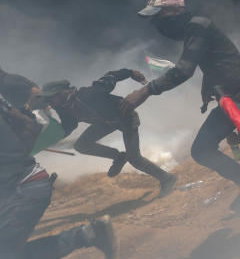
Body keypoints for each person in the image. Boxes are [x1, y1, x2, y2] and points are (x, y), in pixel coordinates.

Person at [120, 0, 240, 213]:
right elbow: (214, 62)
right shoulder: (194, 30)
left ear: (174, 12)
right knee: (203, 150)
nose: (155, 23)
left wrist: (145, 91)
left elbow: (184, 70)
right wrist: (209, 89)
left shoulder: (198, 26)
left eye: (158, 16)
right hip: (231, 103)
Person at [0, 72, 116, 259]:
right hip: (24, 184)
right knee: (9, 256)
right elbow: (26, 122)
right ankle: (85, 235)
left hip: (21, 189)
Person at [40, 70, 177, 197]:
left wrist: (130, 73)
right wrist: (46, 141)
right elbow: (68, 127)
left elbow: (111, 76)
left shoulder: (89, 94)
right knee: (82, 145)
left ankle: (168, 179)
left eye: (51, 98)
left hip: (126, 118)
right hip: (105, 123)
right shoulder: (63, 108)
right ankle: (118, 157)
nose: (49, 102)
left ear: (63, 93)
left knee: (134, 158)